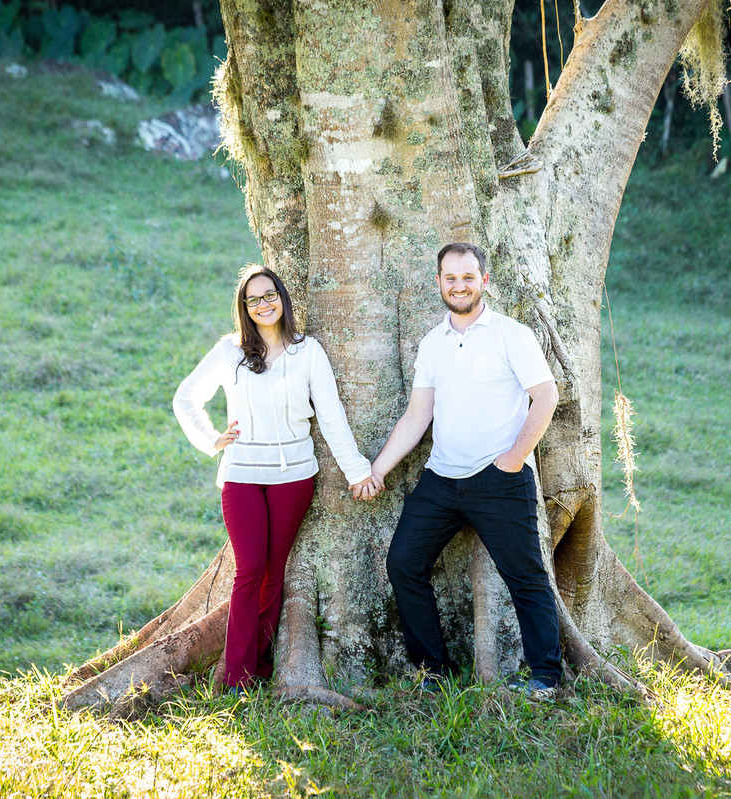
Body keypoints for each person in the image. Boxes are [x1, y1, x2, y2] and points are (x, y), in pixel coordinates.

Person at [366, 242, 563, 698]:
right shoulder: (432, 344)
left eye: (468, 277)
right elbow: (417, 416)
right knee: (403, 563)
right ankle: (434, 671)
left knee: (526, 577)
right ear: (438, 282)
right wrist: (377, 470)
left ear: (484, 281)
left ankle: (545, 676)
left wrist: (513, 459)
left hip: (500, 479)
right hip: (441, 478)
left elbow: (546, 396)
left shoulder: (511, 334)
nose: (459, 286)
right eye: (450, 278)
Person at [173, 265, 379, 693]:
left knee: (273, 572)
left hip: (294, 477)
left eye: (270, 295)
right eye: (254, 299)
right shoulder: (229, 351)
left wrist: (358, 471)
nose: (264, 304)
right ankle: (236, 677)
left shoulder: (308, 352)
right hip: (242, 475)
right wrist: (211, 440)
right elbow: (186, 398)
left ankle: (260, 665)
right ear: (244, 308)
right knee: (249, 569)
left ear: (282, 298)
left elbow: (330, 416)